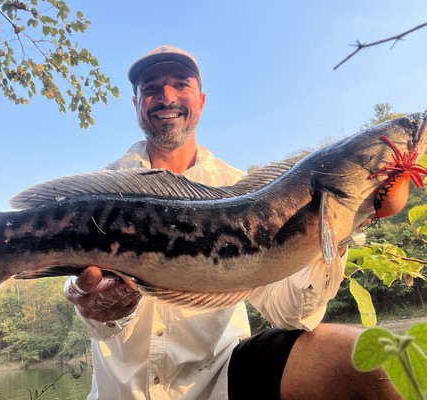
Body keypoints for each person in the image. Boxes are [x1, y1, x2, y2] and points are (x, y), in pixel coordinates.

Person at [63, 45, 400, 400]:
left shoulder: (250, 193)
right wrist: (95, 304)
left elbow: (292, 314)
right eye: (151, 88)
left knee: (361, 357)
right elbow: (90, 309)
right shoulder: (99, 193)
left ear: (201, 100)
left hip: (223, 379)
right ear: (136, 105)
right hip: (122, 392)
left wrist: (346, 220)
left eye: (181, 84)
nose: (166, 96)